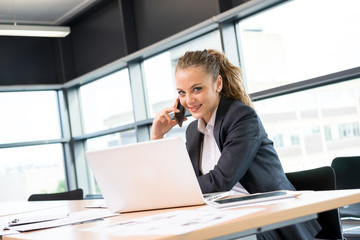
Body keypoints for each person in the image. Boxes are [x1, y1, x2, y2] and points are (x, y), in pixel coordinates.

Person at [151, 49, 321, 239]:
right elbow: (179, 178)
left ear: (218, 83)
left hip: (267, 221)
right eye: (182, 92)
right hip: (220, 217)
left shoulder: (241, 117)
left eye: (197, 89)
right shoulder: (193, 131)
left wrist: (174, 191)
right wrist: (157, 137)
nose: (188, 100)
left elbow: (221, 181)